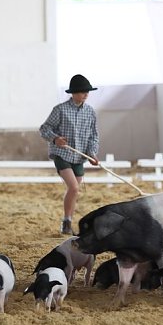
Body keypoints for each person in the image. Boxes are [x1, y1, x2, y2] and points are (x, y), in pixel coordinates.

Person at [39, 74, 100, 235]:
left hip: (79, 156)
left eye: (87, 91)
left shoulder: (90, 112)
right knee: (73, 187)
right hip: (62, 154)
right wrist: (55, 139)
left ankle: (68, 221)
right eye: (82, 91)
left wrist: (92, 153)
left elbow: (94, 135)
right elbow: (44, 128)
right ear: (73, 93)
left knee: (74, 190)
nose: (85, 94)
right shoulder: (60, 110)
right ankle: (66, 222)